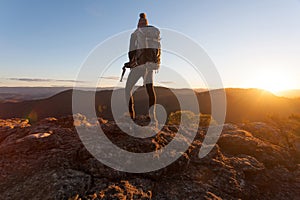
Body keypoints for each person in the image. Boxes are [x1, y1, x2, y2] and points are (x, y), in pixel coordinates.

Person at [125, 13, 161, 125]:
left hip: (138, 66)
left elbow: (131, 51)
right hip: (150, 66)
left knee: (128, 89)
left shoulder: (135, 34)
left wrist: (131, 62)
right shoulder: (152, 33)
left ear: (138, 24)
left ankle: (131, 116)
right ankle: (152, 117)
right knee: (150, 90)